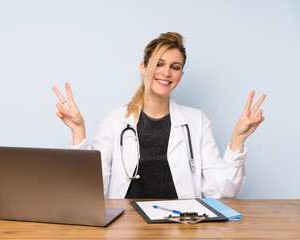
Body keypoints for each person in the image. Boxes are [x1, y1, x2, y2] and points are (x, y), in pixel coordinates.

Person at [52, 32, 266, 199]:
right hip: (127, 226)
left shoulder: (197, 121)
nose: (166, 73)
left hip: (181, 227)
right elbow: (91, 186)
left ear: (181, 74)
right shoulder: (115, 121)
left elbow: (222, 191)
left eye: (175, 67)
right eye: (159, 64)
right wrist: (78, 131)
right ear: (144, 67)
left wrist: (238, 139)